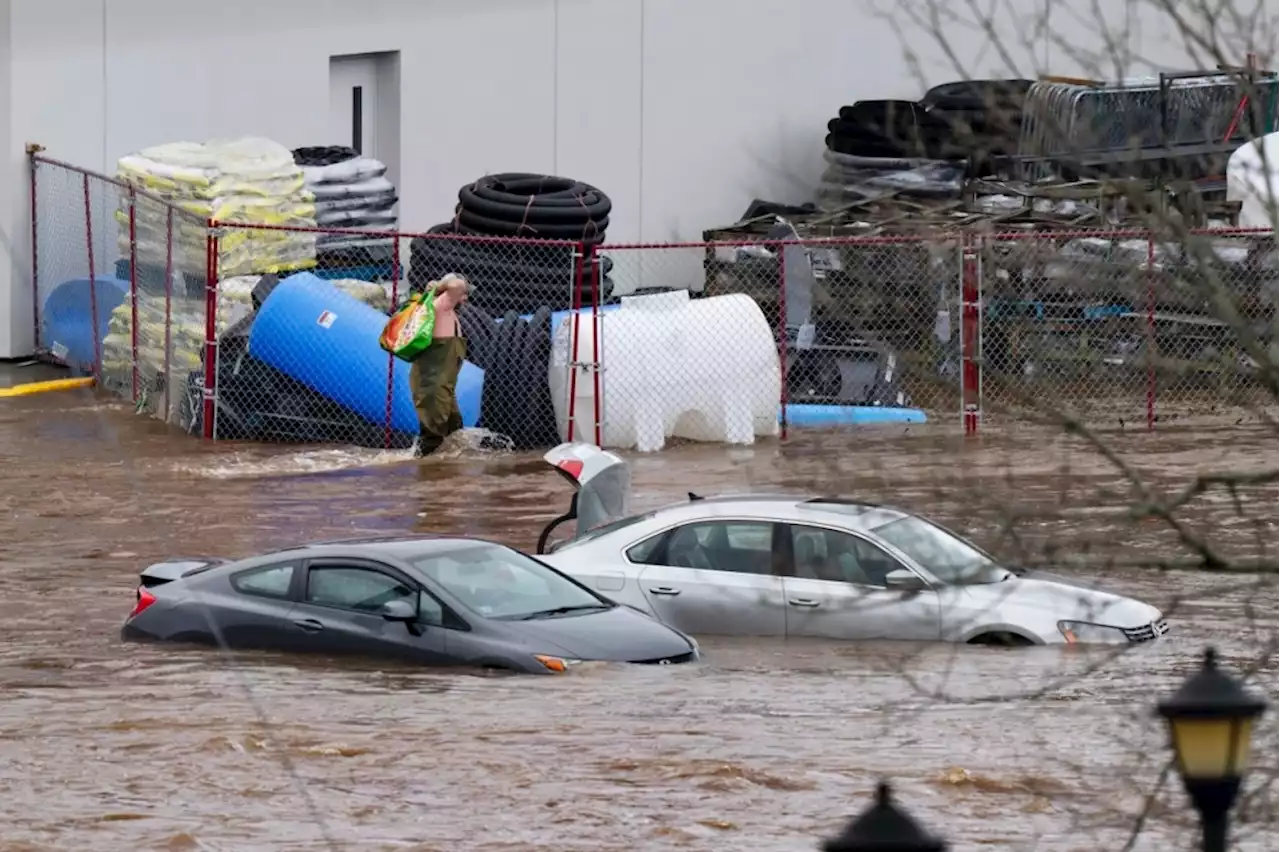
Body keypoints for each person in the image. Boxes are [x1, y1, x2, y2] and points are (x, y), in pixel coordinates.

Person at [409, 273, 471, 456]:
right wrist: (439, 286)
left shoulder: (446, 309)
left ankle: (443, 472)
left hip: (442, 385)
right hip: (433, 384)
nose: (466, 298)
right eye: (465, 294)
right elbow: (456, 284)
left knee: (454, 429)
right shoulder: (440, 305)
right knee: (433, 436)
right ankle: (427, 474)